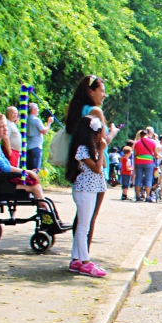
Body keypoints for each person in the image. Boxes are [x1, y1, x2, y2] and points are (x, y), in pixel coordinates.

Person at [65, 75, 118, 251]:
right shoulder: (95, 112)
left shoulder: (77, 110)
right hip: (94, 167)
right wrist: (113, 132)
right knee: (89, 218)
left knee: (82, 216)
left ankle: (78, 254)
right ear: (91, 91)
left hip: (79, 168)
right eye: (101, 91)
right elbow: (102, 141)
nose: (104, 95)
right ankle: (82, 256)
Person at [0, 111, 50, 209]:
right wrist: (27, 172)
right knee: (35, 187)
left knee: (35, 184)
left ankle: (47, 214)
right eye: (2, 127)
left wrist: (25, 172)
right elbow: (5, 168)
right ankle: (47, 217)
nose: (6, 129)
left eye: (6, 126)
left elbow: (6, 164)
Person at [66, 116, 108, 277]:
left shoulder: (89, 148)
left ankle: (76, 258)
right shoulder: (82, 149)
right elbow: (97, 169)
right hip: (84, 190)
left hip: (89, 189)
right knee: (83, 227)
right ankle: (84, 262)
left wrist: (99, 149)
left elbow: (102, 164)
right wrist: (102, 149)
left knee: (84, 226)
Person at [25, 103, 54, 171]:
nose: (38, 110)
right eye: (37, 108)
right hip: (36, 147)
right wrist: (49, 122)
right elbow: (44, 131)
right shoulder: (35, 119)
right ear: (33, 110)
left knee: (29, 169)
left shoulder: (27, 119)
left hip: (28, 147)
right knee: (35, 169)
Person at [132, 129, 158, 202]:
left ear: (140, 135)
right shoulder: (153, 142)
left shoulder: (136, 143)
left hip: (138, 162)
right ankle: (148, 197)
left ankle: (137, 196)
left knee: (138, 179)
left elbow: (135, 154)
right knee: (148, 179)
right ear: (147, 134)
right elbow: (155, 153)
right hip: (149, 163)